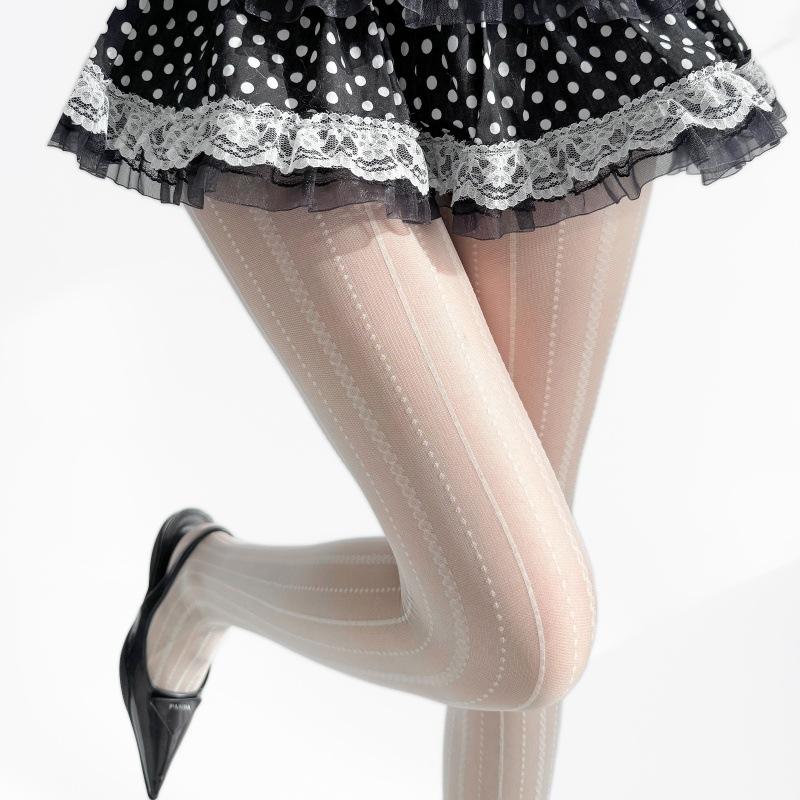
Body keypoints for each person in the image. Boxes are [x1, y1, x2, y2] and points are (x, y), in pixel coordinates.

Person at [47, 1, 787, 798]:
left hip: (542, 32)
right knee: (525, 629)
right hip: (298, 40)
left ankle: (199, 581)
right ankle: (200, 584)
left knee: (527, 561)